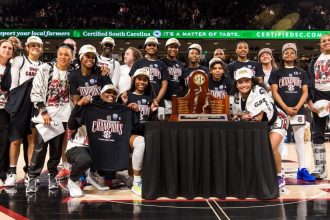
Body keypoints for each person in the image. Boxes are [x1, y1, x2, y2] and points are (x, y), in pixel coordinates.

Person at [26, 43, 74, 193]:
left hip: (63, 116)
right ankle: (33, 177)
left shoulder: (73, 72)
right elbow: (36, 90)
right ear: (57, 54)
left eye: (67, 54)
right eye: (61, 53)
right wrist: (43, 111)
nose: (63, 57)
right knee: (40, 148)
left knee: (56, 149)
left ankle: (53, 175)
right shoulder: (46, 69)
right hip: (46, 114)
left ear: (71, 57)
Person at [230, 67, 288, 187]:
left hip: (277, 120)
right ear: (236, 84)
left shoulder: (259, 90)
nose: (244, 85)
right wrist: (241, 116)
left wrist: (242, 115)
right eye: (240, 82)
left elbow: (258, 116)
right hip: (260, 125)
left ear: (252, 81)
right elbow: (234, 115)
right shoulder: (234, 97)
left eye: (247, 81)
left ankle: (279, 174)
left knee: (271, 148)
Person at [269, 43, 315, 182]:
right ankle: (279, 170)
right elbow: (274, 92)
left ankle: (302, 169)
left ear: (296, 55)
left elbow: (305, 92)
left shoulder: (302, 72)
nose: (289, 54)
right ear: (282, 55)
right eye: (286, 52)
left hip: (298, 110)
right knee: (280, 140)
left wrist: (296, 107)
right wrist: (285, 108)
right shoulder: (276, 72)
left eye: (291, 52)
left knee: (300, 140)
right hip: (280, 110)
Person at [68, 44, 112, 189]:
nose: (91, 59)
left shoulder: (101, 72)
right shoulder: (73, 75)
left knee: (102, 145)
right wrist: (83, 102)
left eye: (93, 57)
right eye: (87, 56)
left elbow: (110, 92)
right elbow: (76, 100)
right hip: (83, 114)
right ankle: (78, 175)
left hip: (99, 114)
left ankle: (92, 174)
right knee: (84, 146)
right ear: (80, 58)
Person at [66, 84, 119, 197]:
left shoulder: (115, 113)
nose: (111, 95)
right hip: (78, 146)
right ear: (101, 95)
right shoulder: (90, 108)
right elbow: (71, 125)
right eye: (108, 92)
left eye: (114, 93)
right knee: (85, 159)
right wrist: (79, 104)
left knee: (115, 151)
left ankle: (93, 175)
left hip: (96, 147)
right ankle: (73, 181)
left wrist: (125, 104)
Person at [5, 36, 44, 187]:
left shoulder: (44, 65)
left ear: (41, 49)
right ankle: (12, 172)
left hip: (35, 103)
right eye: (32, 45)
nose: (35, 47)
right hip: (20, 100)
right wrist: (14, 103)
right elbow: (14, 84)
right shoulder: (20, 60)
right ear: (27, 47)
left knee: (32, 138)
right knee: (15, 139)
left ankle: (30, 172)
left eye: (38, 45)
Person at [120, 68, 158, 196]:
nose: (142, 82)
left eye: (144, 79)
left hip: (146, 133)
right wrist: (126, 105)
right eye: (139, 79)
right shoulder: (126, 95)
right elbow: (120, 118)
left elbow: (152, 122)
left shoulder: (150, 98)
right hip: (129, 134)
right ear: (134, 80)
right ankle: (137, 182)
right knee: (141, 143)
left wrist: (153, 112)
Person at [129, 36, 169, 120]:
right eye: (149, 45)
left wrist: (156, 101)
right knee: (140, 123)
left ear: (157, 48)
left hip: (158, 101)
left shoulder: (162, 65)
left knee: (158, 125)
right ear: (145, 48)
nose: (151, 47)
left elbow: (164, 86)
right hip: (141, 100)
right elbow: (133, 81)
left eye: (154, 45)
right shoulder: (138, 63)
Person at [307, 33, 330, 179]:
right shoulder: (314, 60)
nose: (327, 42)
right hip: (318, 99)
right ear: (320, 45)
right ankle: (320, 169)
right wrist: (310, 102)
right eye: (324, 41)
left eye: (329, 40)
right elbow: (309, 83)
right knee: (317, 134)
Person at [0, 39, 13, 187]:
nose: (7, 50)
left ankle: (1, 172)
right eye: (4, 47)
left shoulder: (12, 68)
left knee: (4, 142)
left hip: (5, 111)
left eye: (10, 48)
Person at [160, 38, 183, 117]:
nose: (173, 49)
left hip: (177, 98)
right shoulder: (161, 62)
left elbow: (181, 83)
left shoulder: (180, 64)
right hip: (165, 98)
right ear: (166, 48)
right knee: (166, 121)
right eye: (171, 47)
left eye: (175, 47)